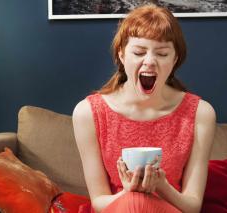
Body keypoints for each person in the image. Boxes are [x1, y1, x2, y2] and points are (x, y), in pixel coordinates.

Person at [72, 4, 216, 213]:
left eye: (162, 54)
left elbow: (192, 206)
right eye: (139, 52)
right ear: (122, 55)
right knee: (133, 202)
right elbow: (99, 202)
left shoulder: (201, 113)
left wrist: (161, 186)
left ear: (175, 59)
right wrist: (128, 192)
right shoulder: (88, 113)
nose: (150, 62)